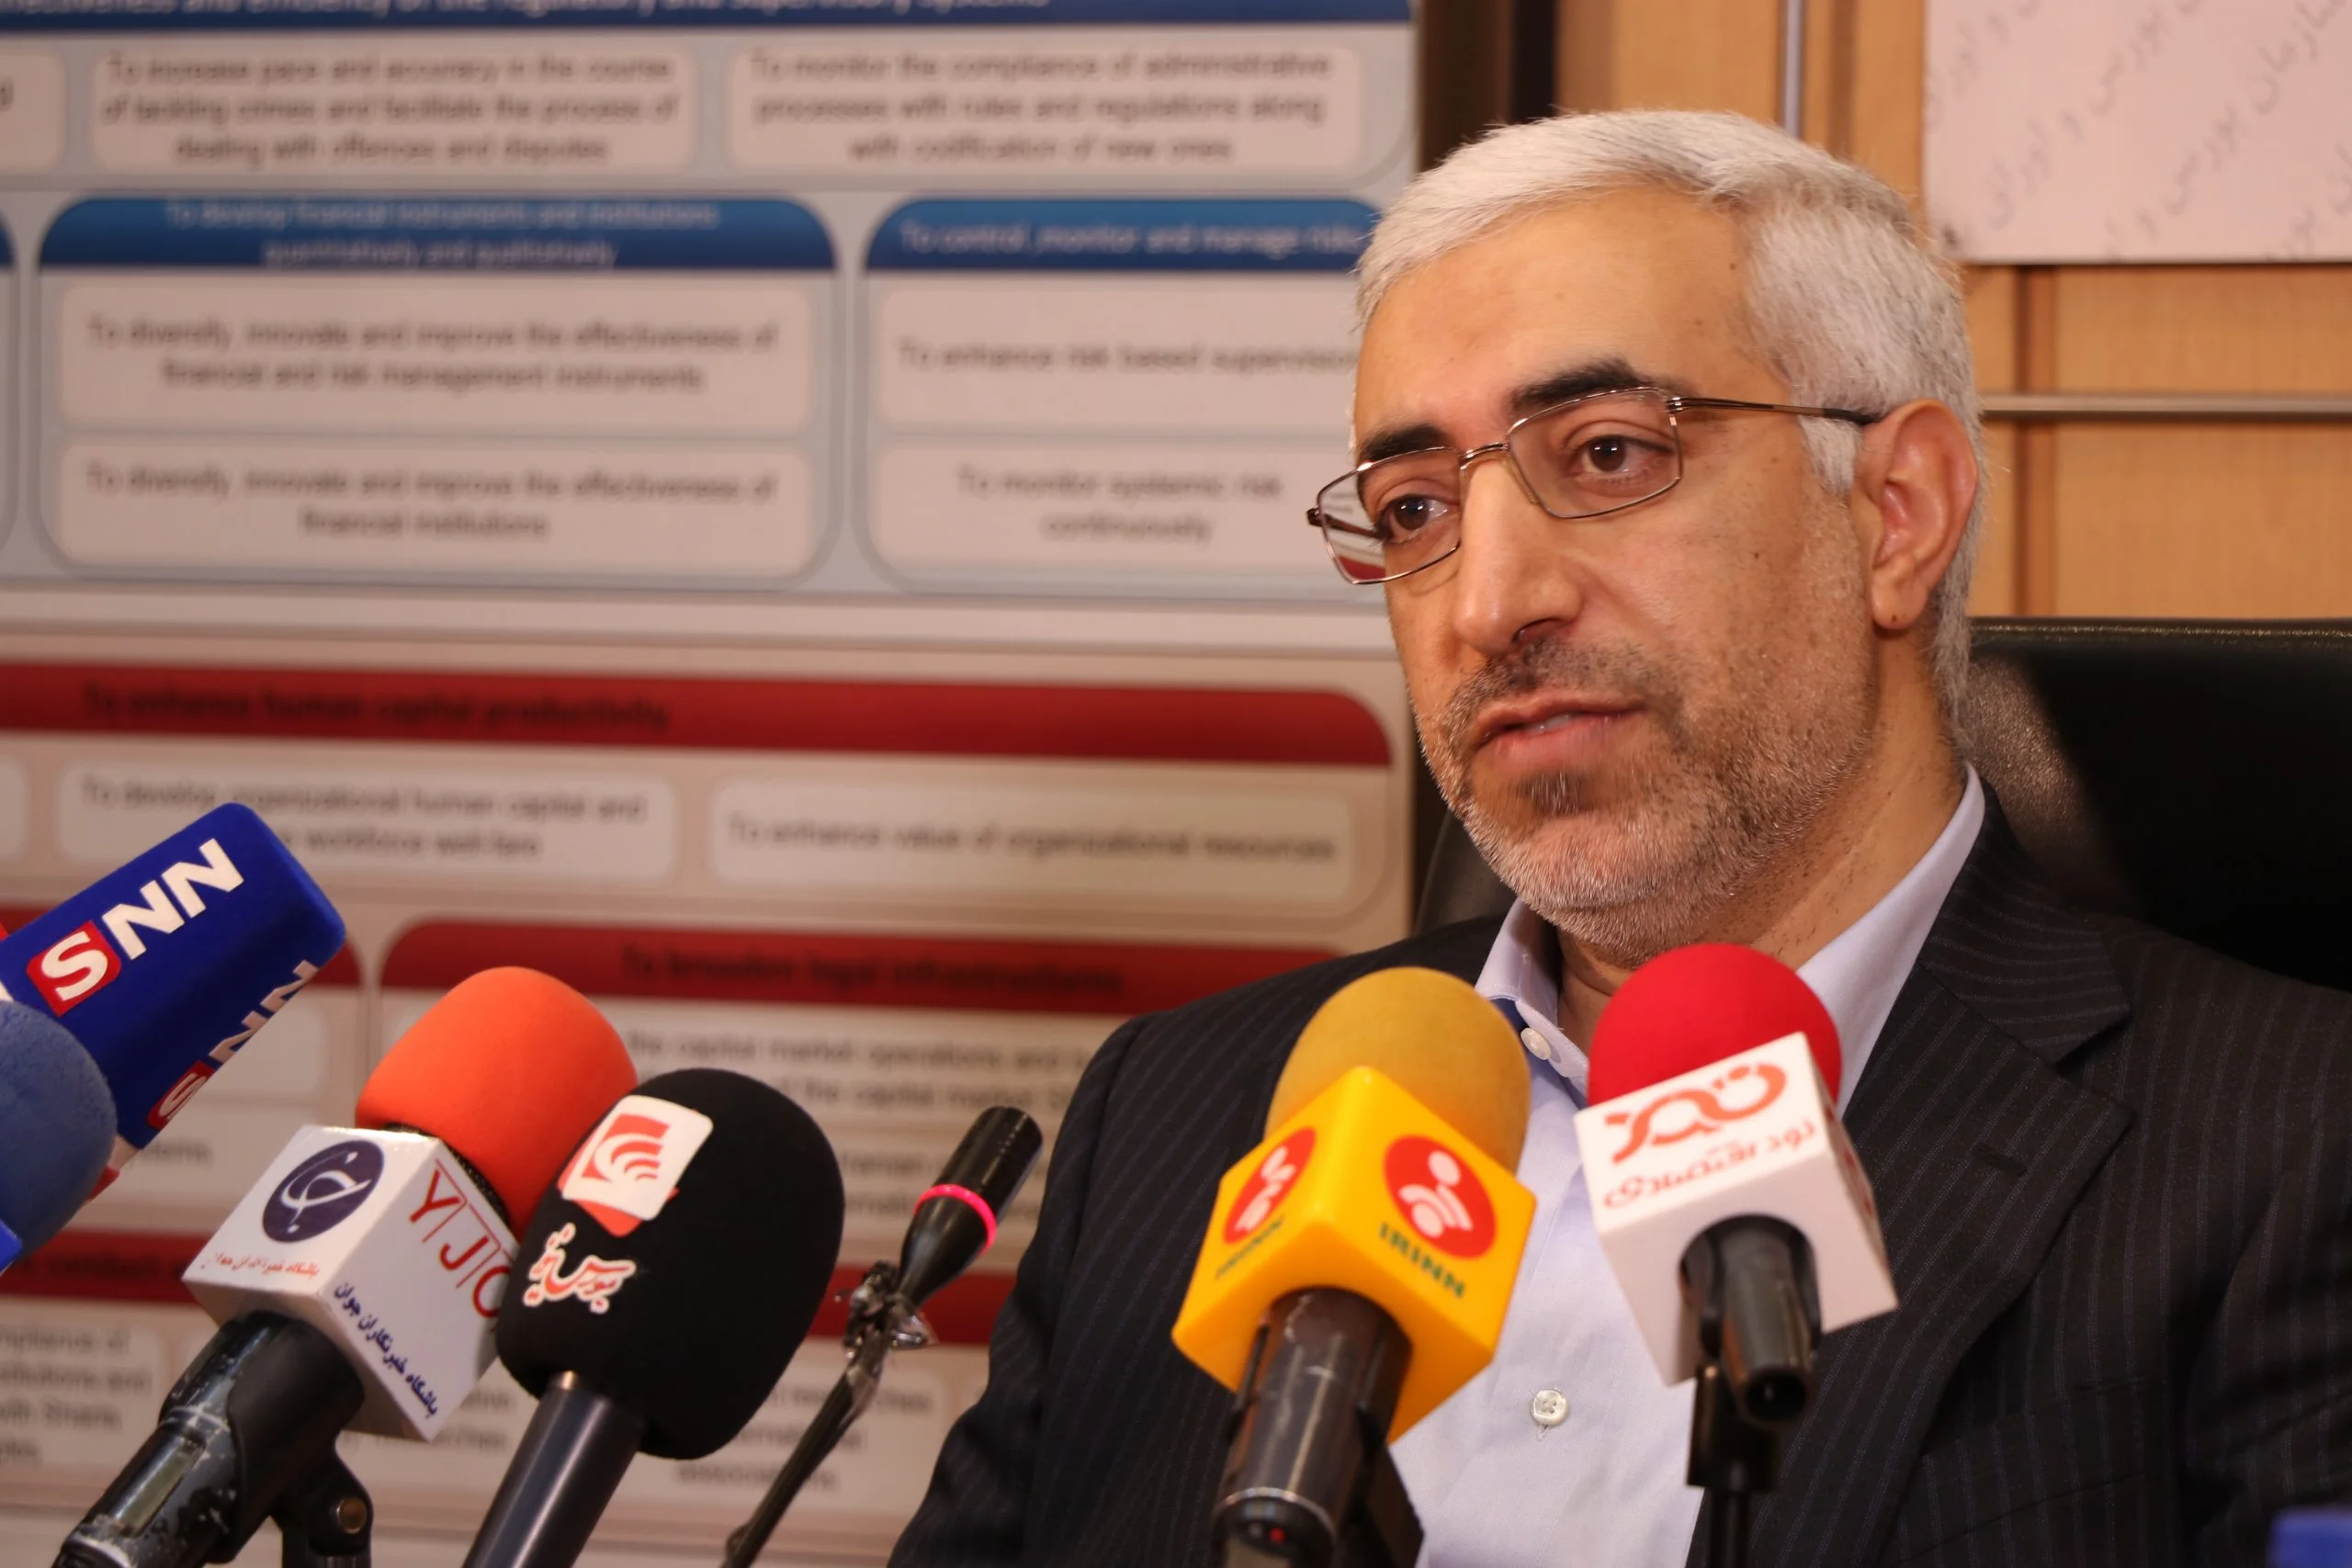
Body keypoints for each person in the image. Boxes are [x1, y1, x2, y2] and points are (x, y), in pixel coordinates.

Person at [888, 110, 2352, 1568]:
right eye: (1415, 507)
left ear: (1896, 514)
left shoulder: (2291, 1142)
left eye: (1606, 454)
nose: (1487, 603)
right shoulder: (1175, 1111)